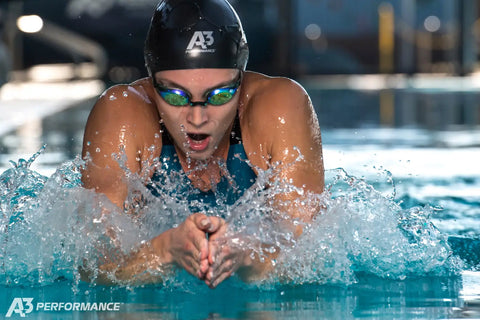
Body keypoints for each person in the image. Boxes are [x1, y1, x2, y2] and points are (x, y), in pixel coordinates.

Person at [81, 0, 324, 288]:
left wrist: (247, 256)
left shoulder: (279, 109)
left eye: (219, 95)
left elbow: (315, 260)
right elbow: (93, 267)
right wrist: (164, 250)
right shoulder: (122, 114)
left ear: (241, 80)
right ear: (151, 81)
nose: (197, 117)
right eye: (175, 95)